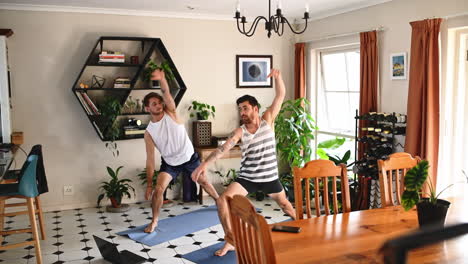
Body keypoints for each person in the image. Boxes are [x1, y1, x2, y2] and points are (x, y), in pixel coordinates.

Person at [191, 69, 296, 256]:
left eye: (245, 108)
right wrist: (203, 165)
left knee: (286, 206)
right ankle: (231, 240)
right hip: (248, 178)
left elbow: (280, 95)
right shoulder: (240, 131)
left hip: (270, 177)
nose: (242, 112)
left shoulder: (268, 120)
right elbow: (222, 149)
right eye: (240, 109)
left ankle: (310, 229)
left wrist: (278, 77)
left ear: (255, 108)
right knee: (223, 200)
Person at [143, 69, 219, 233]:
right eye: (154, 104)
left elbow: (166, 93)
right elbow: (150, 160)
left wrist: (162, 79)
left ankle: (219, 202)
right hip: (170, 163)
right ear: (147, 108)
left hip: (189, 157)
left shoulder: (170, 113)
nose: (158, 105)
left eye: (159, 102)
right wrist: (149, 184)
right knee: (158, 190)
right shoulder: (149, 132)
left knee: (204, 182)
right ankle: (154, 221)